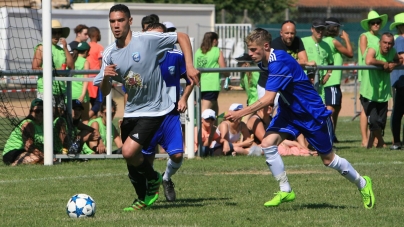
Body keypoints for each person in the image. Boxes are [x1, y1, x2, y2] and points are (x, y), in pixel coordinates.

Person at [225, 28, 375, 209]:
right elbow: (277, 88)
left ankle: (362, 183)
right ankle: (285, 189)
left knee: (328, 160)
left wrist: (240, 113)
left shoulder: (277, 61)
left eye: (253, 50)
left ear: (265, 46)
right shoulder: (265, 62)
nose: (250, 54)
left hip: (311, 114)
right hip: (289, 112)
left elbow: (268, 98)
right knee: (267, 143)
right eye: (249, 49)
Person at [93, 4, 199, 210]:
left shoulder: (146, 39)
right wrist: (106, 78)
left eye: (121, 20)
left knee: (128, 151)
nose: (116, 25)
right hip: (132, 110)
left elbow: (183, 37)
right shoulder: (109, 54)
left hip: (155, 109)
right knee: (132, 162)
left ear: (130, 21)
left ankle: (154, 178)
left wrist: (190, 65)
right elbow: (105, 91)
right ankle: (142, 199)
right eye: (113, 21)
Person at [138, 22, 194, 203]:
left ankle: (166, 178)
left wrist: (184, 98)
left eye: (162, 36)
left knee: (177, 154)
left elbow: (191, 79)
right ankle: (149, 186)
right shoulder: (139, 58)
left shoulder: (176, 56)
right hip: (148, 115)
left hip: (170, 115)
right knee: (146, 158)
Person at [362, 32, 400, 148]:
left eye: (390, 43)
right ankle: (381, 142)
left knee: (380, 123)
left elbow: (399, 60)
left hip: (383, 93)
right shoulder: (373, 49)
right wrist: (384, 63)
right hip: (369, 92)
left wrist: (394, 64)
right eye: (385, 42)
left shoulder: (392, 52)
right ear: (380, 42)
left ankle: (371, 143)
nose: (387, 45)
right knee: (373, 121)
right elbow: (368, 60)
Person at [358, 10, 387, 147]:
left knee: (374, 106)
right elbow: (365, 56)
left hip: (378, 75)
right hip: (367, 74)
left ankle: (373, 139)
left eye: (378, 22)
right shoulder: (364, 36)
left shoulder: (381, 37)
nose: (376, 24)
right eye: (373, 22)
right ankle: (365, 139)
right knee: (366, 108)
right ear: (369, 25)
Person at [32, 20, 74, 111]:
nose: (57, 35)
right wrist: (54, 71)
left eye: (59, 33)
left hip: (61, 89)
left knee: (59, 119)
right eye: (54, 32)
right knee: (48, 117)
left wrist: (66, 48)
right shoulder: (41, 47)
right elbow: (35, 68)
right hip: (46, 88)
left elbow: (71, 67)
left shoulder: (61, 49)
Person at [323, 17, 354, 143]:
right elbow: (350, 54)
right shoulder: (334, 41)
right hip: (332, 81)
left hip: (333, 81)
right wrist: (346, 38)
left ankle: (332, 134)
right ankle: (328, 136)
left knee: (336, 108)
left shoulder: (325, 41)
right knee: (331, 109)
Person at [195, 31, 229, 116]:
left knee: (214, 112)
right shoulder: (216, 50)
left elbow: (195, 70)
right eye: (217, 40)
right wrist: (227, 74)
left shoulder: (198, 52)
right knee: (204, 113)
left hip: (200, 85)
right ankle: (199, 129)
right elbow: (223, 69)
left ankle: (214, 129)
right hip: (211, 85)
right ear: (214, 41)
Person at [2, 99, 44, 166]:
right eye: (37, 111)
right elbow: (28, 146)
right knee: (37, 158)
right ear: (31, 112)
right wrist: (43, 155)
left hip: (28, 151)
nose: (40, 113)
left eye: (43, 111)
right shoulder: (27, 124)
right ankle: (13, 165)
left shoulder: (44, 125)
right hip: (14, 152)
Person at [301, 18, 334, 98]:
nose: (320, 31)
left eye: (322, 29)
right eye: (318, 29)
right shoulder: (303, 41)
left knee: (319, 107)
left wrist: (328, 75)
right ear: (312, 29)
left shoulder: (326, 46)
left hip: (319, 85)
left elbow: (331, 63)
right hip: (304, 83)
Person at [389, 13, 404, 150]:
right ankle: (397, 141)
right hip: (400, 81)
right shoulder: (399, 39)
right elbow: (401, 58)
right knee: (398, 112)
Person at [87, 26, 104, 120]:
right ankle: (85, 118)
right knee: (98, 104)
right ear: (96, 35)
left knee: (92, 103)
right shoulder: (99, 47)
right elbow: (101, 64)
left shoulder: (86, 46)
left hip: (86, 79)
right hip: (96, 79)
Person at [71, 42, 90, 123]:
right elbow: (85, 79)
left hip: (70, 94)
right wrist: (82, 95)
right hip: (80, 94)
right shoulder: (85, 62)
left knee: (70, 118)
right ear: (86, 52)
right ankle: (83, 136)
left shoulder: (71, 60)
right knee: (85, 119)